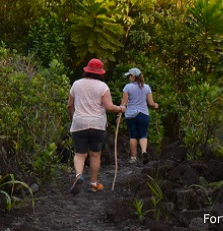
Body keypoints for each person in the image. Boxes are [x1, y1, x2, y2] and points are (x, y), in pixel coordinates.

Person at [67, 58, 125, 194]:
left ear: (86, 70)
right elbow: (110, 107)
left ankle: (78, 175)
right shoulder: (102, 87)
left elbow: (69, 106)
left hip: (79, 123)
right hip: (97, 125)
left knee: (80, 154)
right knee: (95, 155)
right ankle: (93, 183)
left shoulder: (76, 84)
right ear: (100, 73)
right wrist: (121, 109)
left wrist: (73, 119)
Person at [121, 67, 159, 165]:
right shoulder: (146, 87)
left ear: (133, 77)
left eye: (130, 76)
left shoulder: (127, 87)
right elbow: (151, 103)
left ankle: (133, 158)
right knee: (143, 135)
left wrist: (119, 113)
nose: (129, 77)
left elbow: (123, 103)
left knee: (133, 136)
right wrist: (156, 105)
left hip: (131, 115)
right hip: (143, 114)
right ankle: (143, 151)